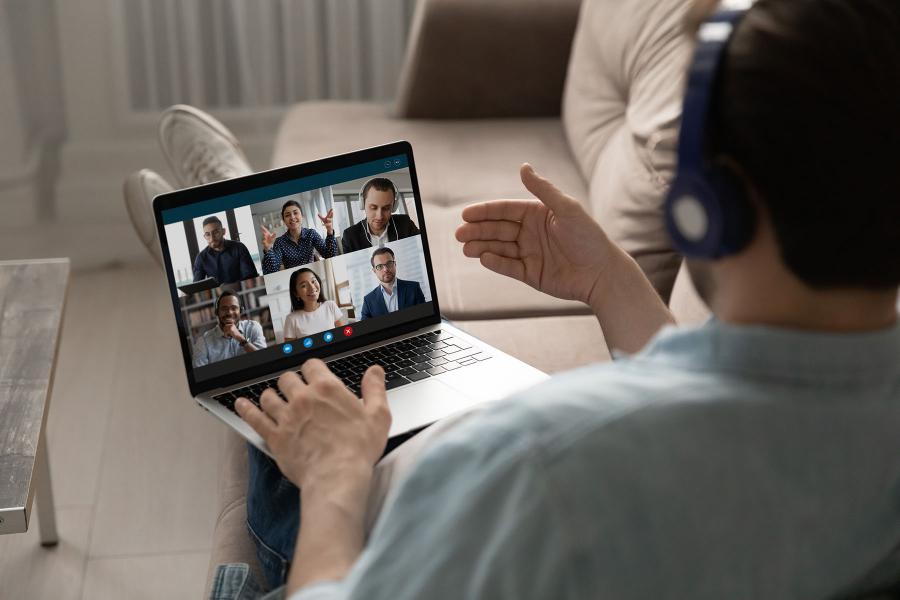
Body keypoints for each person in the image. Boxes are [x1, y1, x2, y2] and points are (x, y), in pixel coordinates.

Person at [228, 0, 900, 598]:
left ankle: (226, 205)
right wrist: (610, 279)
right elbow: (750, 420)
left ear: (706, 205)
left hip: (383, 538)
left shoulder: (539, 469)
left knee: (292, 401)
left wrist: (336, 485)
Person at [340, 178, 420, 254]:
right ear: (362, 204)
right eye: (373, 208)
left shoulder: (405, 223)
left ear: (394, 206)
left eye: (386, 208)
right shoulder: (350, 236)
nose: (379, 216)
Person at [192, 290, 266, 367]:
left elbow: (265, 360)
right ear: (217, 312)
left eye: (234, 308)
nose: (229, 312)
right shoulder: (203, 342)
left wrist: (241, 339)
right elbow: (200, 376)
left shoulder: (253, 327)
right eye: (224, 309)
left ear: (241, 311)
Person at [261, 200, 338, 274]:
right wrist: (268, 249)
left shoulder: (311, 234)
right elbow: (273, 270)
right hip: (293, 278)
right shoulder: (279, 242)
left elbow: (330, 256)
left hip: (311, 274)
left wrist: (330, 231)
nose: (292, 217)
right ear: (284, 220)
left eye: (295, 213)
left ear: (302, 216)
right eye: (287, 215)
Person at [359, 247, 426, 320]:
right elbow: (366, 328)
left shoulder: (414, 288)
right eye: (380, 266)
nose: (386, 269)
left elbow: (425, 317)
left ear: (395, 264)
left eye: (389, 263)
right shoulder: (368, 300)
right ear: (374, 271)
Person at [192, 215, 259, 284]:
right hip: (218, 294)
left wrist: (229, 286)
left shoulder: (239, 247)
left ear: (223, 231)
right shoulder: (201, 257)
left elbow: (250, 277)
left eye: (216, 232)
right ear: (204, 236)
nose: (212, 238)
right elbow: (197, 285)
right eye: (208, 234)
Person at [282, 268, 344, 341]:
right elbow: (291, 350)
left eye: (313, 281)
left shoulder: (330, 305)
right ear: (296, 293)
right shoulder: (291, 319)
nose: (312, 287)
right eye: (304, 286)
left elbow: (342, 335)